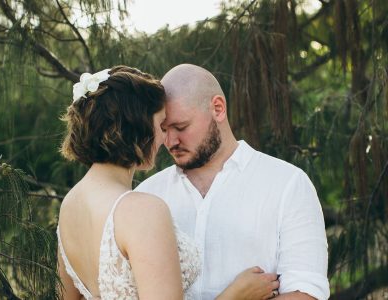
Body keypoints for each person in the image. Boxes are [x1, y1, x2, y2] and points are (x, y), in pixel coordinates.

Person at [135, 64, 330, 300]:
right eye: (164, 129)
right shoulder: (146, 196)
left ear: (218, 108)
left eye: (181, 127)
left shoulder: (288, 184)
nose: (171, 140)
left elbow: (306, 293)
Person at [57, 65, 201, 299]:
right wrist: (235, 294)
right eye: (162, 125)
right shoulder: (142, 211)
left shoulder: (70, 204)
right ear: (138, 125)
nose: (166, 137)